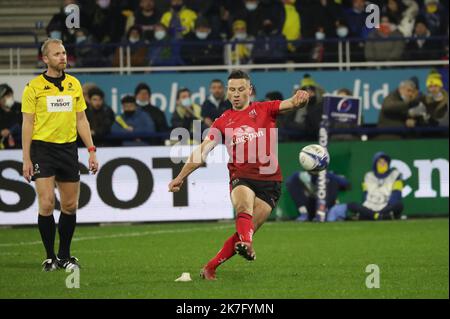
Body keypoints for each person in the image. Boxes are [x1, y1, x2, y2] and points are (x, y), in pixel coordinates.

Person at [168, 70, 309, 280]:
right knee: (243, 208)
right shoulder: (222, 121)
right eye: (232, 90)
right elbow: (203, 150)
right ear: (227, 92)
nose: (236, 94)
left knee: (245, 232)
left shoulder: (265, 108)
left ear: (250, 90)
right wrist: (180, 176)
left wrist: (301, 98)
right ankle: (248, 246)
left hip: (270, 181)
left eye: (241, 89)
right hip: (241, 177)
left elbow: (291, 104)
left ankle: (210, 267)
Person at [21, 39, 99, 271]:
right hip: (42, 149)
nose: (62, 57)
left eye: (64, 53)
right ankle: (49, 257)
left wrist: (91, 150)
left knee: (69, 205)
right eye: (57, 54)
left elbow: (81, 120)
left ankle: (64, 256)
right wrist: (26, 158)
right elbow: (27, 123)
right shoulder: (33, 87)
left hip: (68, 149)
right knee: (46, 204)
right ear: (45, 59)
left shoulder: (74, 84)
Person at [335, 152, 404, 221]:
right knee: (352, 205)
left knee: (399, 205)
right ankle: (379, 216)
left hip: (386, 205)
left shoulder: (395, 175)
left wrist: (387, 206)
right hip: (370, 205)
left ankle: (373, 215)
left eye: (385, 161)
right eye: (380, 162)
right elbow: (365, 195)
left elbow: (396, 194)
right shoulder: (368, 176)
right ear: (375, 164)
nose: (383, 164)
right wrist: (368, 207)